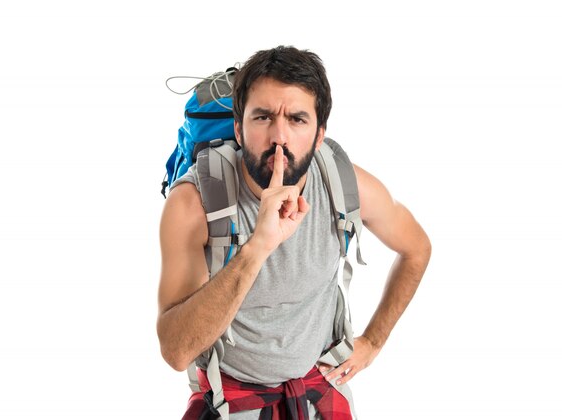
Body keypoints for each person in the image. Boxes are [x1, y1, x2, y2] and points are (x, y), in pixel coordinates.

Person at [157, 45, 431, 419]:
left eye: (298, 119)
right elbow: (176, 351)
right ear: (239, 128)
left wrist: (373, 342)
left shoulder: (346, 185)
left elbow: (417, 248)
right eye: (263, 117)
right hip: (232, 397)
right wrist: (257, 247)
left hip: (316, 387)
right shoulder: (194, 204)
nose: (279, 136)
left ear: (319, 135)